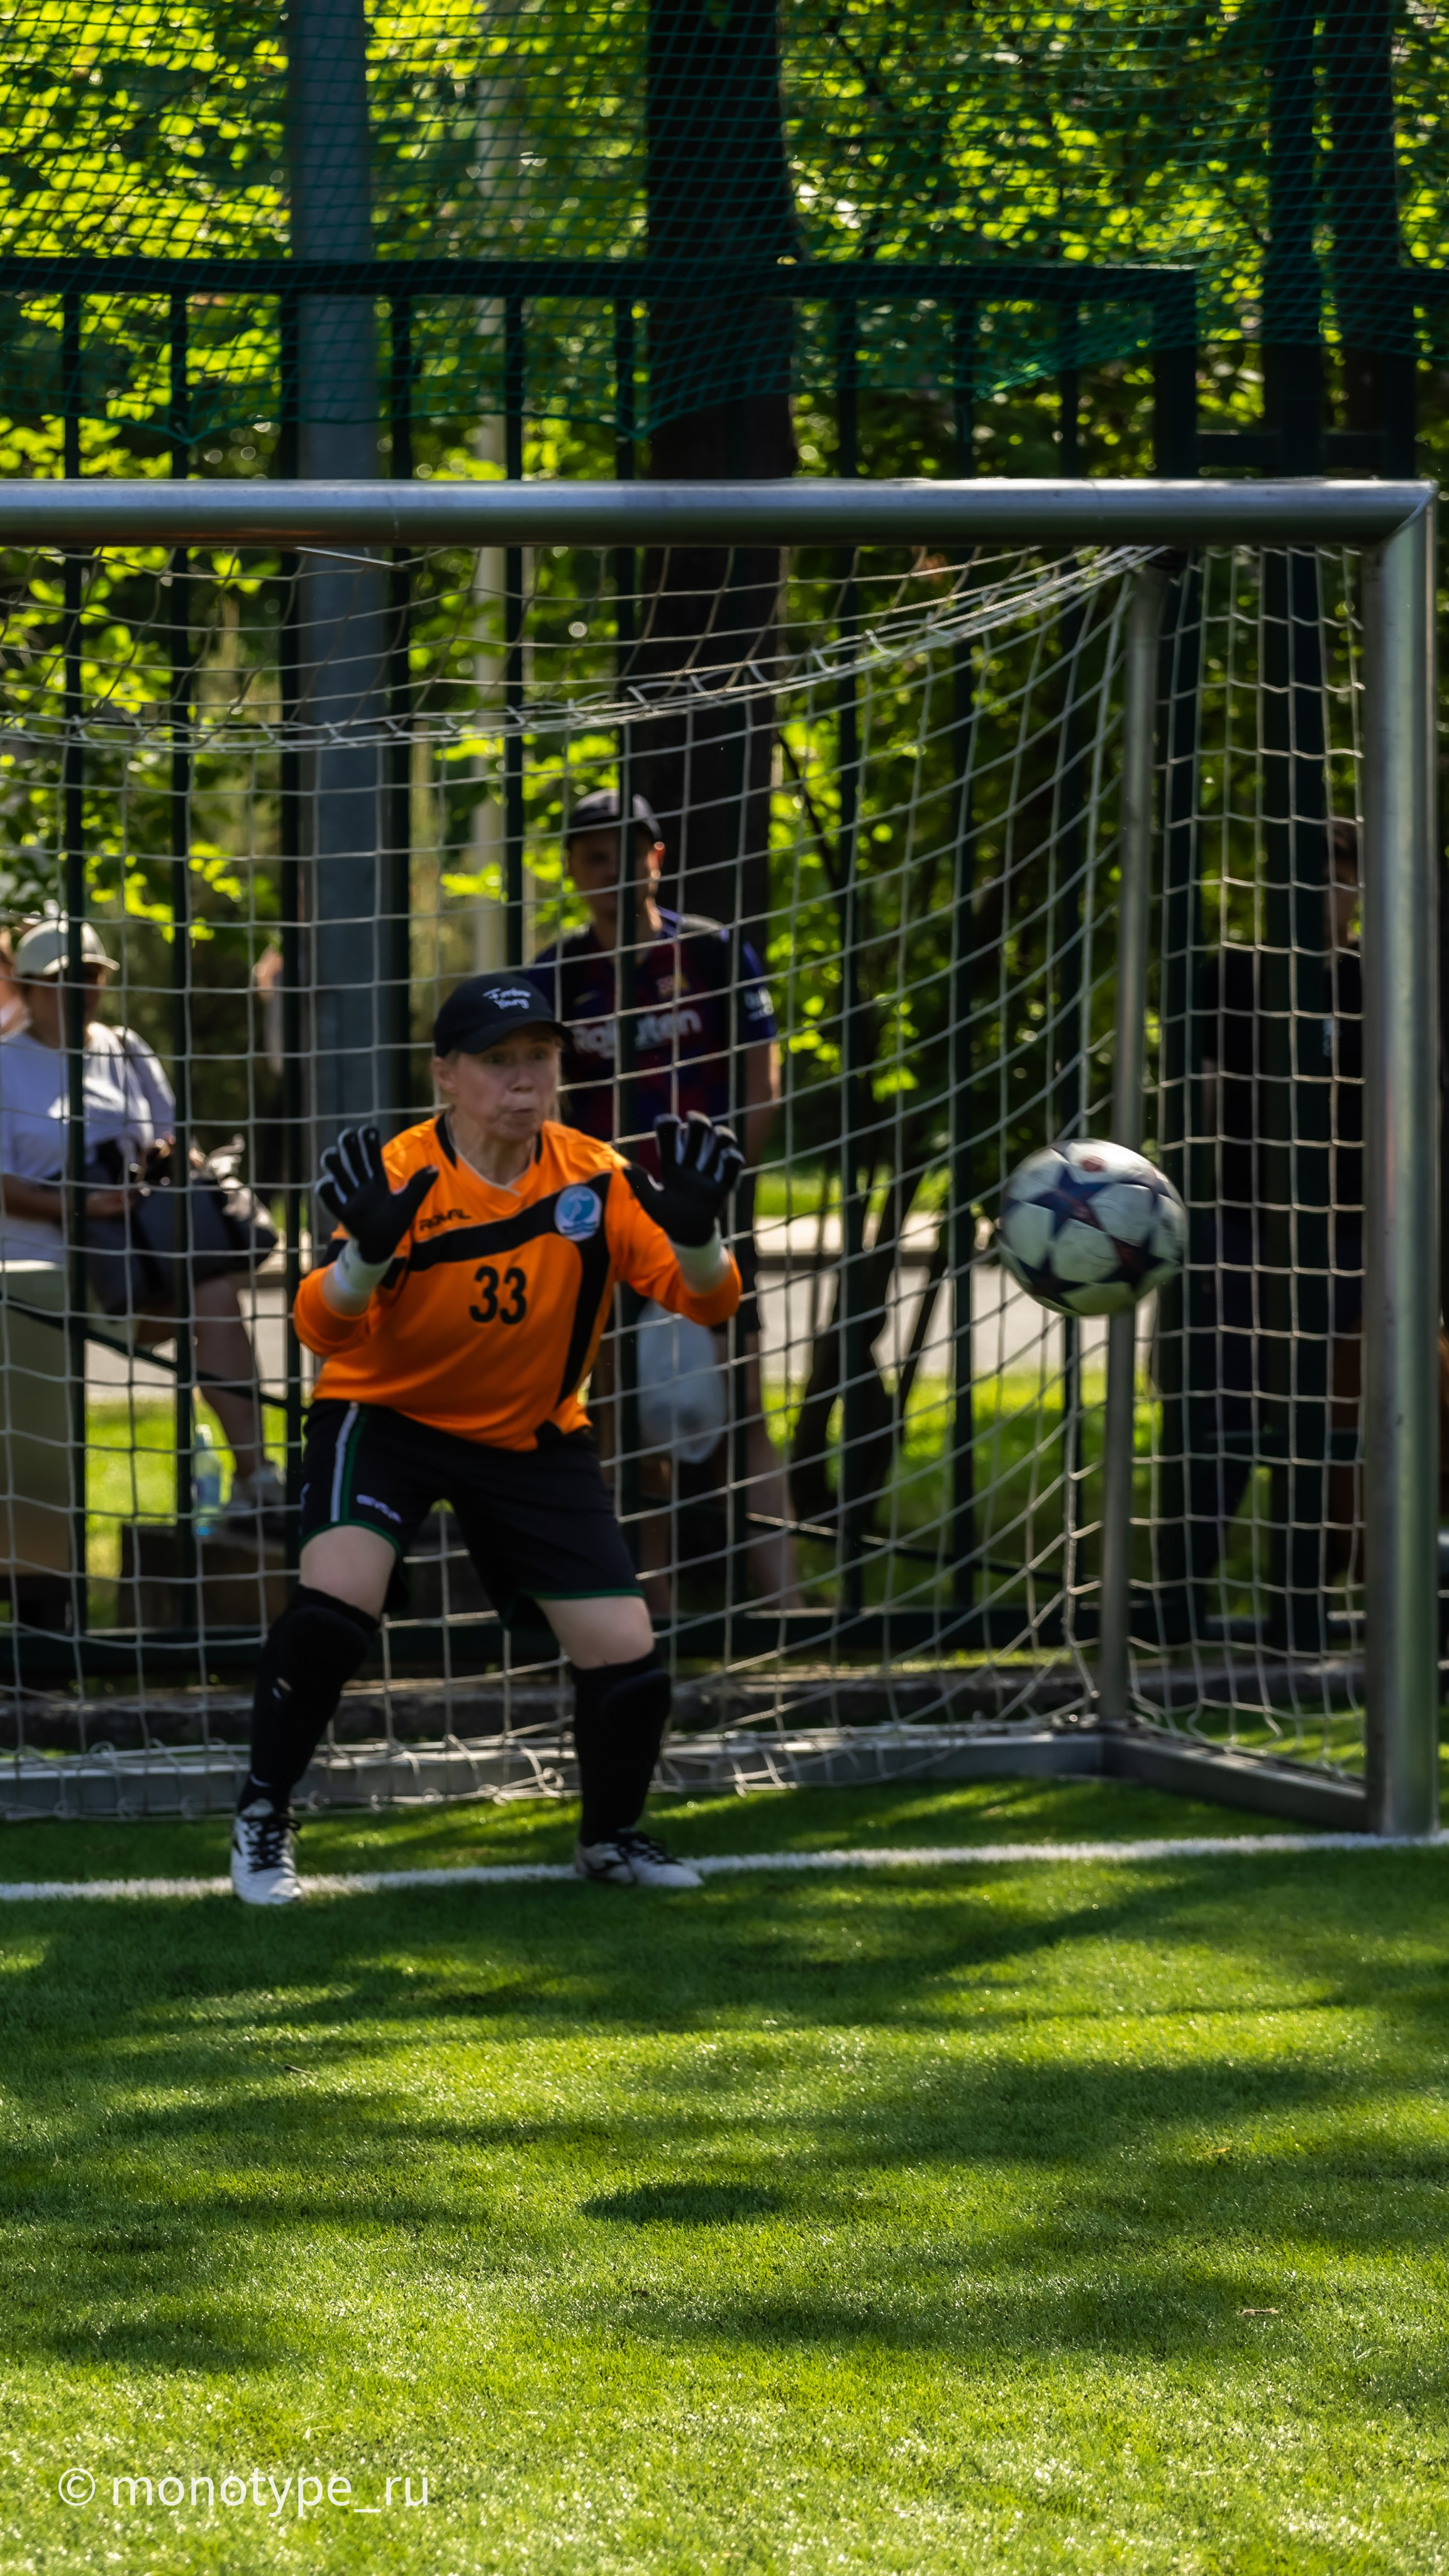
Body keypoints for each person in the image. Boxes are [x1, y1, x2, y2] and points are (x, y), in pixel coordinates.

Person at [230, 970, 743, 1906]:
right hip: (383, 1419)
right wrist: (362, 1257)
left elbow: (707, 1298)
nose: (523, 1081)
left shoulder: (598, 1174)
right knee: (332, 1608)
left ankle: (610, 1838)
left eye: (539, 1059)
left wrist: (703, 1238)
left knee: (628, 1655)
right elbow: (319, 1330)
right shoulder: (398, 1175)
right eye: (497, 1061)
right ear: (445, 1076)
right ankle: (264, 1814)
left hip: (529, 1436)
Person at [532, 787, 799, 1610]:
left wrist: (713, 1187)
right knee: (615, 1420)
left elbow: (763, 1076)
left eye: (626, 852)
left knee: (745, 1410)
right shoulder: (554, 972)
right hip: (602, 1224)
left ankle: (790, 1617)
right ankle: (649, 1608)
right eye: (593, 855)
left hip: (703, 1219)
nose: (610, 870)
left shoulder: (713, 955)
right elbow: (541, 1101)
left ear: (658, 857)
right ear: (573, 869)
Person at [0, 916, 284, 1527]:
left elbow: (171, 1136)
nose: (80, 991)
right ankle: (42, 1559)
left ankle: (257, 1482)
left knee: (213, 1290)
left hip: (142, 1257)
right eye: (61, 979)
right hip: (43, 1279)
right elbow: (3, 1186)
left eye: (92, 976)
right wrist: (78, 1205)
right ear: (25, 987)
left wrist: (170, 1167)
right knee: (35, 1450)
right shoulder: (4, 1065)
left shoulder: (125, 1048)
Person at [1189, 822, 1364, 1602]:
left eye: (1338, 875)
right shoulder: (1232, 974)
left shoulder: (1376, 979)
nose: (1323, 890)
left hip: (1354, 1234)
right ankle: (1187, 1589)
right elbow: (1196, 1093)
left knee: (1347, 1419)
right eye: (1306, 873)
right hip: (1241, 1226)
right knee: (1224, 1406)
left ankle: (1317, 1591)